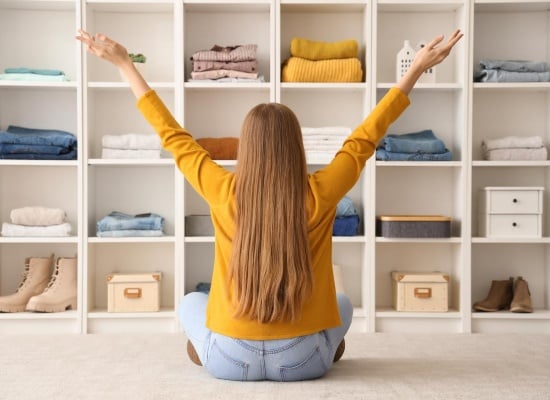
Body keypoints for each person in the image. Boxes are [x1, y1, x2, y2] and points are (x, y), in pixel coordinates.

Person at [76, 29, 463, 381]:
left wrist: (125, 64)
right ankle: (325, 347)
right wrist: (415, 70)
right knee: (341, 303)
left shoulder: (222, 189)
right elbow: (365, 138)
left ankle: (213, 346)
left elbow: (173, 137)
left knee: (191, 302)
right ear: (296, 145)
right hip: (302, 361)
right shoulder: (322, 191)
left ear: (247, 147)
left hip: (231, 358)